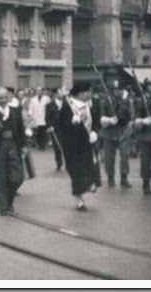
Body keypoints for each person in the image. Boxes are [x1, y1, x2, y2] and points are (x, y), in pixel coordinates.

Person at [58, 83, 101, 211]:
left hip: (88, 143)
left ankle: (89, 184)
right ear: (80, 93)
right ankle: (79, 201)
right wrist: (72, 123)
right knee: (76, 172)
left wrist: (94, 131)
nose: (89, 94)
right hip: (73, 146)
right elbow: (61, 126)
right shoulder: (67, 106)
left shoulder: (89, 105)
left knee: (91, 166)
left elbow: (95, 121)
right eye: (87, 92)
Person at [0, 87, 27, 216]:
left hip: (13, 145)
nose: (3, 100)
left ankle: (9, 201)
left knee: (18, 177)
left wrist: (24, 146)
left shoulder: (15, 111)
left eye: (5, 97)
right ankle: (3, 206)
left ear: (9, 97)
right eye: (0, 98)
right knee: (0, 177)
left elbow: (21, 130)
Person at [98, 80, 134, 188]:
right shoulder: (106, 100)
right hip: (109, 130)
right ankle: (110, 177)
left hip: (123, 130)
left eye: (119, 89)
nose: (117, 92)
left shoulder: (127, 101)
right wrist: (109, 120)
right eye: (115, 90)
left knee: (124, 156)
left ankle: (124, 178)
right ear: (112, 90)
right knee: (109, 156)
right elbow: (102, 116)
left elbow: (131, 115)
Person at [45, 88, 65, 171]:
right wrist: (50, 126)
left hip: (65, 128)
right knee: (57, 147)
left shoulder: (66, 104)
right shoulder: (50, 105)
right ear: (56, 94)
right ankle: (59, 163)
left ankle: (69, 162)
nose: (62, 95)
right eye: (60, 93)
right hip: (55, 129)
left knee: (66, 145)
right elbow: (47, 117)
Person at [28, 87, 50, 151]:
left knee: (43, 133)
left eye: (40, 91)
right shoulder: (33, 99)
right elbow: (31, 108)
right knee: (37, 133)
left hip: (44, 118)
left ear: (42, 92)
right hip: (36, 118)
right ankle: (38, 144)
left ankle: (42, 146)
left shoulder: (46, 98)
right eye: (37, 91)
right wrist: (31, 116)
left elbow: (49, 108)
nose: (39, 92)